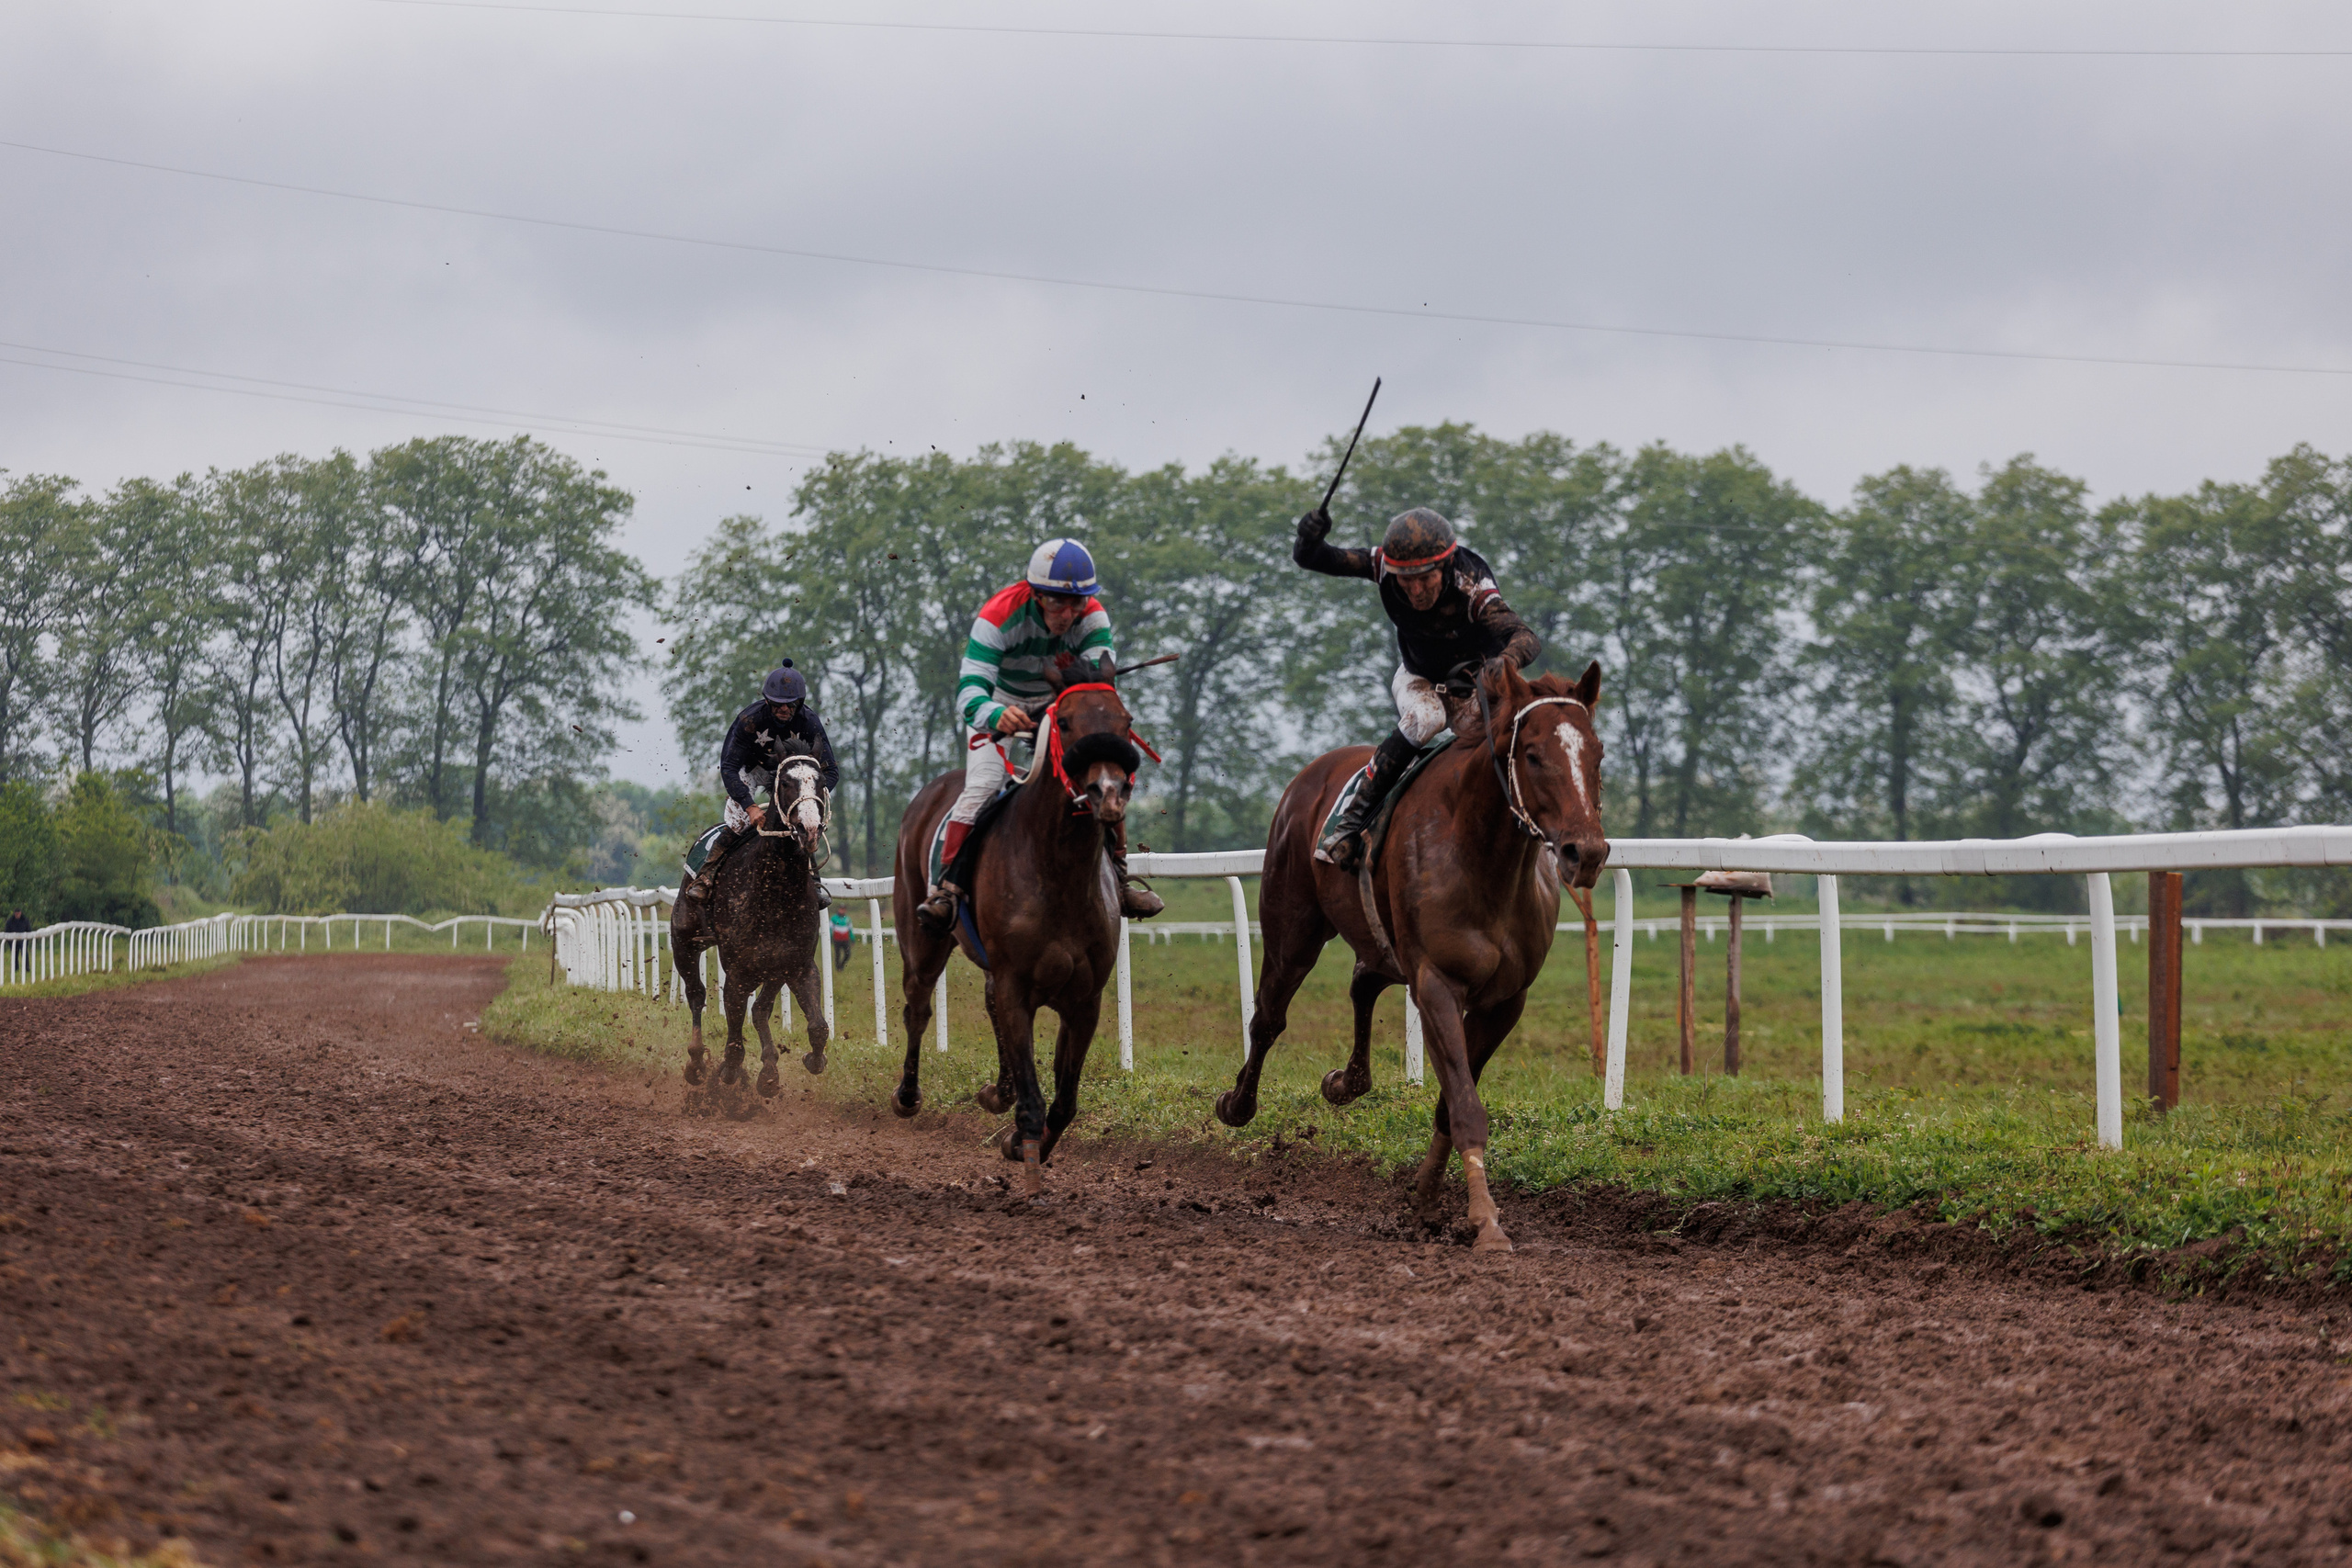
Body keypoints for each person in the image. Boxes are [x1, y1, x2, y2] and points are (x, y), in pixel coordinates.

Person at [916, 537, 1164, 929]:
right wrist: (997, 714)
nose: (1067, 614)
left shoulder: (1094, 617)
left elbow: (1097, 685)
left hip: (1060, 704)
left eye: (1076, 603)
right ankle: (946, 888)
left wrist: (1062, 709)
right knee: (984, 781)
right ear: (1034, 595)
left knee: (1099, 774)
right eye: (1055, 602)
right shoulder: (998, 616)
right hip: (1000, 700)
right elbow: (969, 692)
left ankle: (1118, 876)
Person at [1292, 503, 1541, 870]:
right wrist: (1309, 535)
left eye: (1425, 578)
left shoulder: (1471, 584)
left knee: (1507, 734)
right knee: (1426, 718)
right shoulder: (1384, 565)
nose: (1415, 590)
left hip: (1474, 688)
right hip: (1418, 677)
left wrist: (1503, 663)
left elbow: (1526, 638)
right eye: (1406, 580)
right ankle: (1349, 824)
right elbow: (1313, 558)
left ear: (1446, 566)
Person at [681, 661, 841, 906]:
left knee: (805, 823)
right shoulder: (749, 720)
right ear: (767, 701)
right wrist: (750, 806)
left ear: (799, 703)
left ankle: (814, 882)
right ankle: (707, 875)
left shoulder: (809, 722)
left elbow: (831, 771)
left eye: (790, 704)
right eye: (777, 703)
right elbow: (730, 768)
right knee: (739, 821)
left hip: (793, 776)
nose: (784, 709)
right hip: (752, 770)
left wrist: (811, 797)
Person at [4, 908, 28, 976]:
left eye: (18, 914)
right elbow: (7, 932)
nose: (17, 915)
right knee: (15, 955)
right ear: (14, 914)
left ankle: (27, 967)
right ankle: (15, 968)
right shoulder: (10, 921)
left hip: (22, 940)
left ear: (20, 913)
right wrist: (10, 942)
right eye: (16, 914)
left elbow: (28, 930)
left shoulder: (25, 920)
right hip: (13, 941)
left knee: (25, 953)